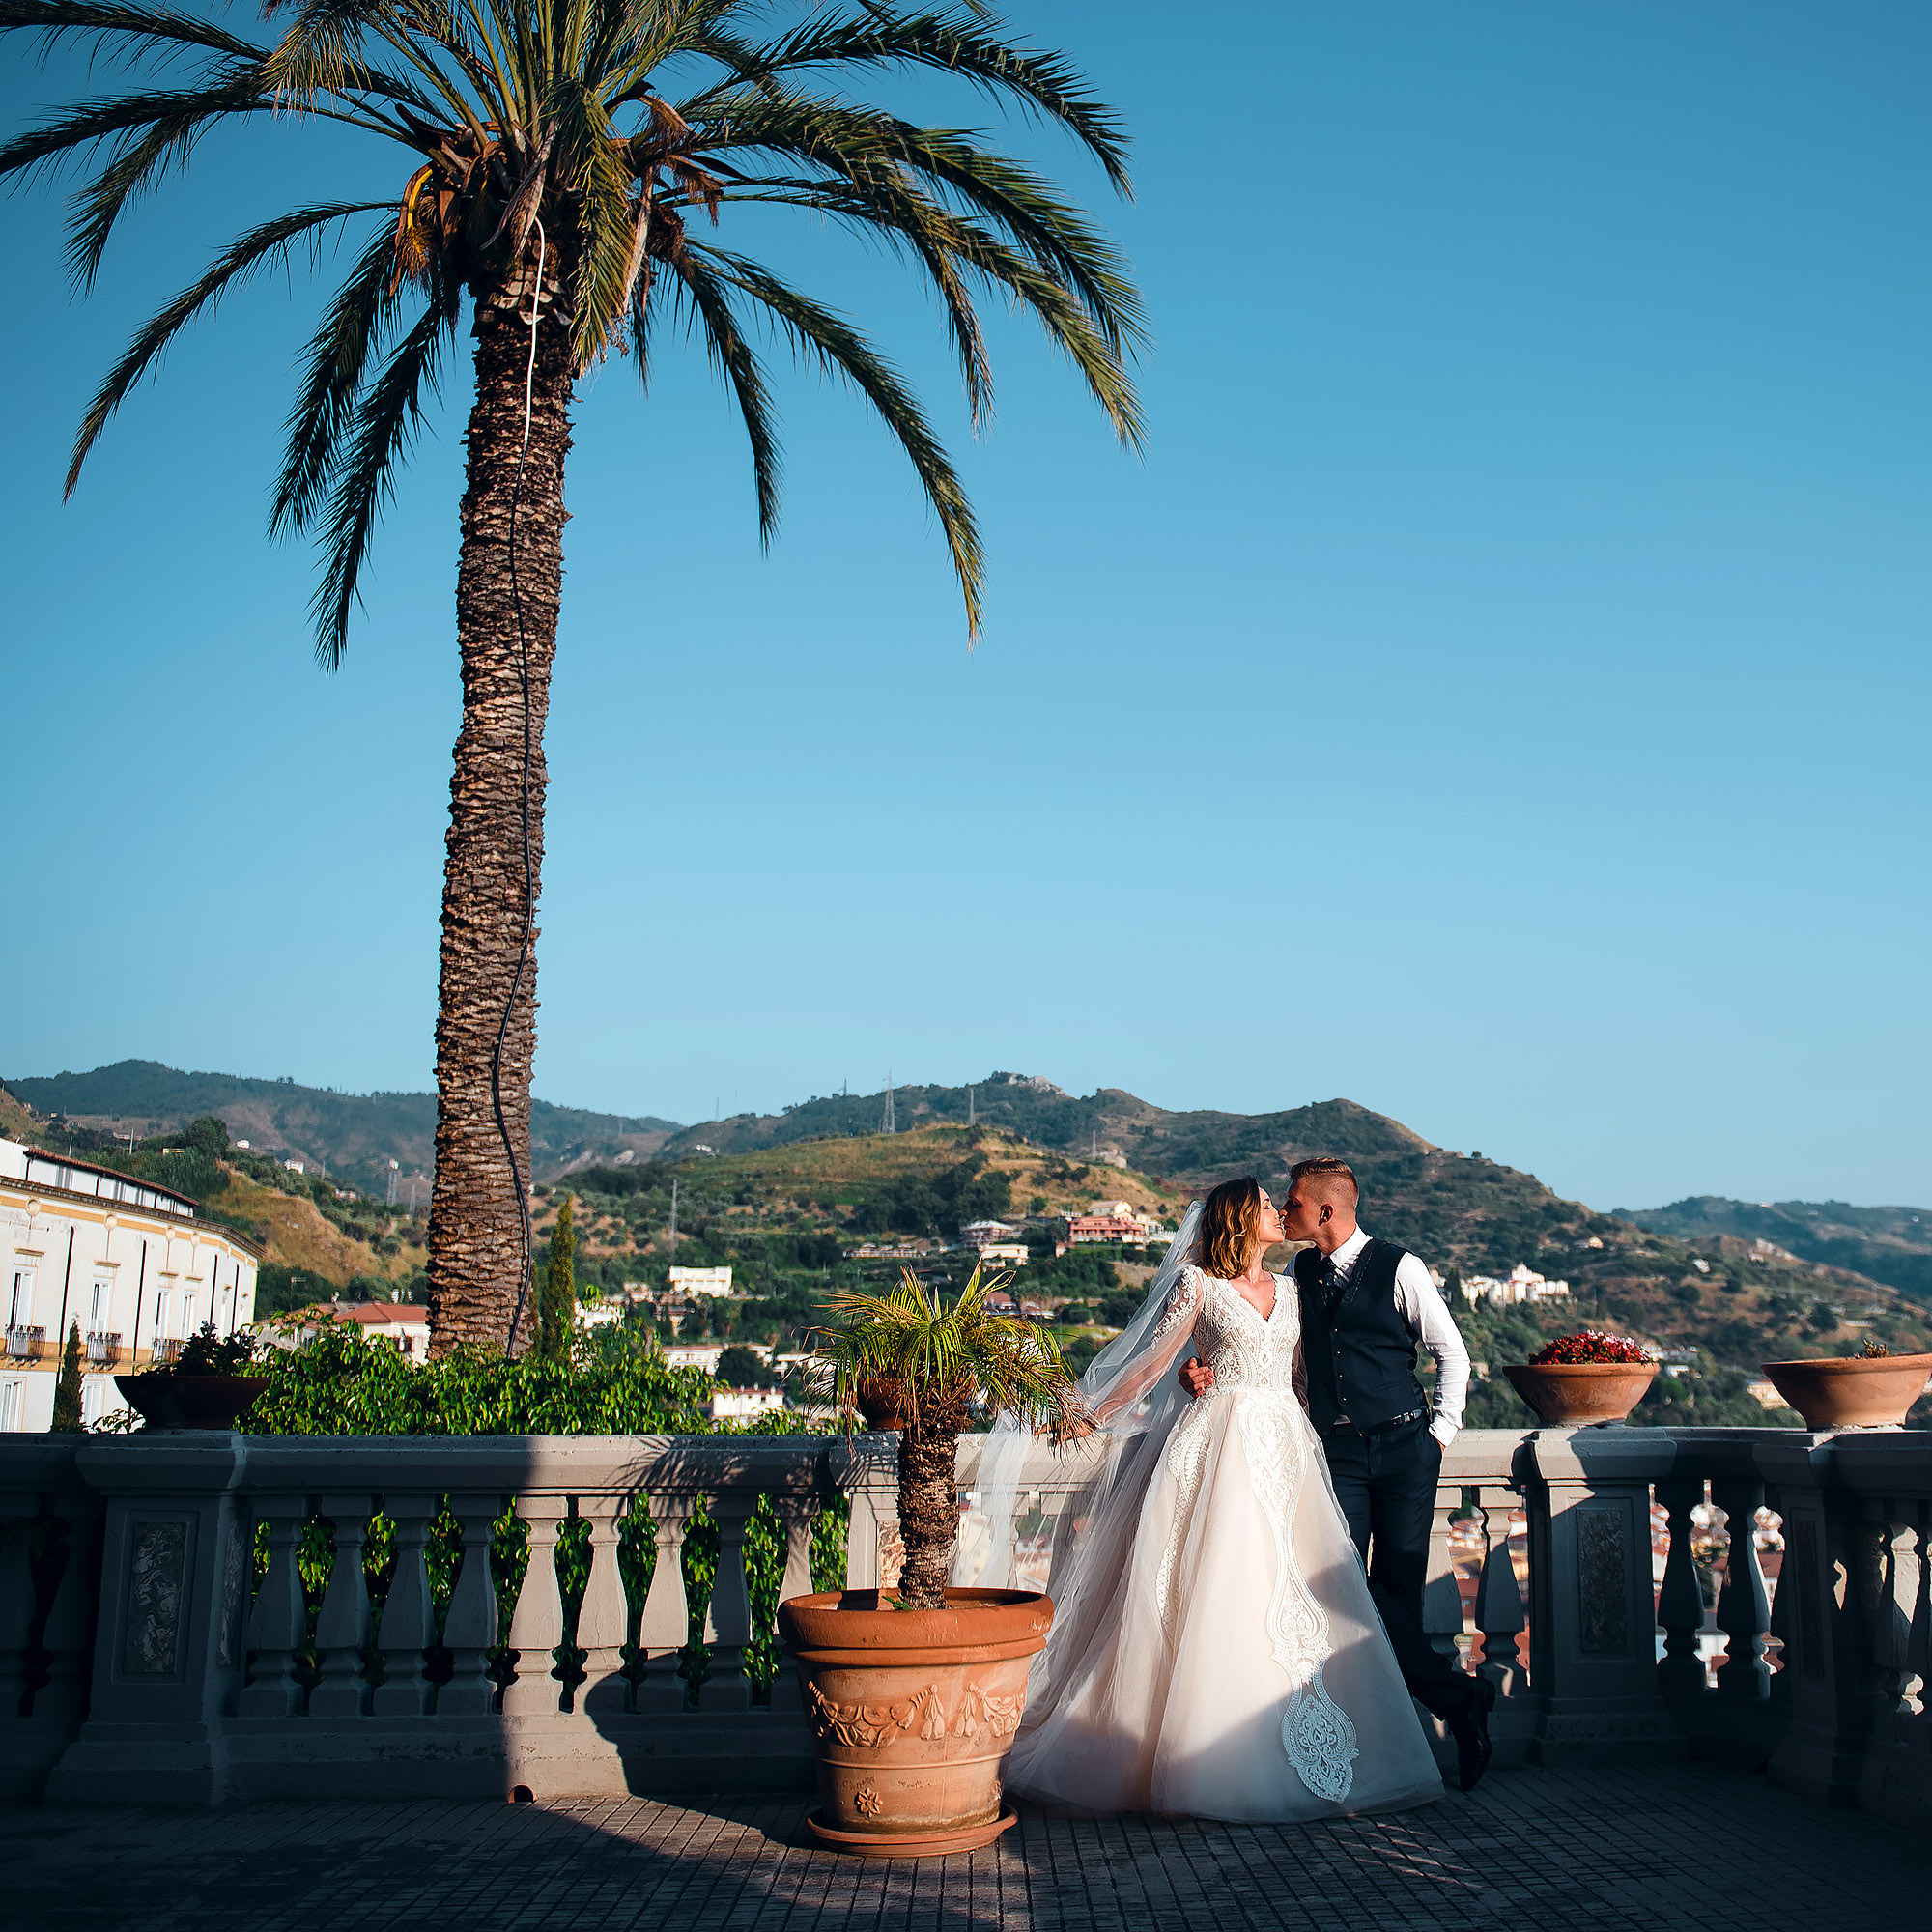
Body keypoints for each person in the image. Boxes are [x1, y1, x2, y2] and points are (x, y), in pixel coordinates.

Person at [970, 1177, 1446, 1821]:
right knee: (1223, 1586)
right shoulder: (1199, 1286)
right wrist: (1091, 1413)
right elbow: (1149, 1366)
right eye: (1267, 1206)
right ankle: (1212, 1763)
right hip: (1218, 1446)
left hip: (1286, 1448)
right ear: (1239, 1220)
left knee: (1303, 1593)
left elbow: (1304, 1379)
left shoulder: (1294, 1289)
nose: (1281, 1212)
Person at [1179, 1156, 1494, 1790]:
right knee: (1341, 1588)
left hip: (1407, 1448)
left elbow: (1451, 1353)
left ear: (1325, 1212)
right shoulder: (1296, 1274)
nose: (1284, 1211)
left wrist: (1437, 1436)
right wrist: (1205, 1372)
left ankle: (1399, 1742)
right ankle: (1458, 1701)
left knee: (1397, 1594)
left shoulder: (1400, 1268)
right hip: (1337, 1454)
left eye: (1291, 1202)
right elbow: (1281, 1360)